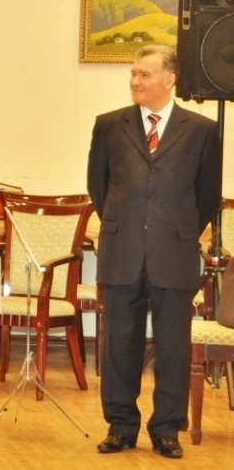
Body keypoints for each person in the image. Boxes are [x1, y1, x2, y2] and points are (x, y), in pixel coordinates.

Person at [87, 44, 221, 459]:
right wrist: (125, 225)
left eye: (144, 74)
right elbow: (98, 186)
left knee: (173, 347)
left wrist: (177, 230)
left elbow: (207, 195)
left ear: (169, 80)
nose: (135, 81)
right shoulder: (110, 125)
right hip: (122, 250)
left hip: (174, 252)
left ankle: (166, 428)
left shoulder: (201, 130)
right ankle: (120, 426)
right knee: (119, 345)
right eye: (133, 74)